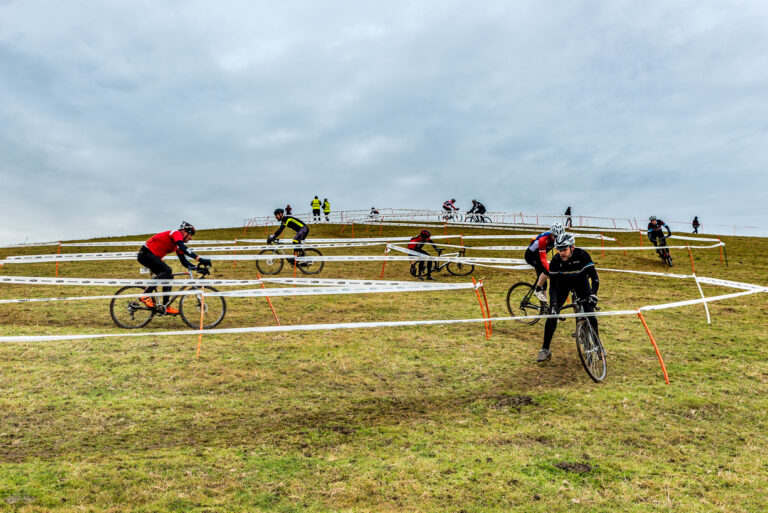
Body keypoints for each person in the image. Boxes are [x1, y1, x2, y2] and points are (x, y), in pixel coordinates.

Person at [537, 233, 600, 362]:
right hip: (563, 286)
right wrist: (554, 304)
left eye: (564, 249)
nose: (562, 253)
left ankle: (598, 345)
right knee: (552, 316)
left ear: (572, 247)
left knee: (590, 314)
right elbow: (553, 287)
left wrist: (593, 294)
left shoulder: (582, 255)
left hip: (581, 284)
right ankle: (545, 349)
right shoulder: (555, 261)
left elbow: (594, 277)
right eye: (559, 250)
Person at [137, 222, 212, 314]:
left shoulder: (177, 245)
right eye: (190, 234)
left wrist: (197, 268)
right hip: (145, 254)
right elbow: (184, 248)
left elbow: (184, 262)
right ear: (184, 231)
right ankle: (145, 295)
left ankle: (165, 306)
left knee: (169, 276)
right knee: (167, 270)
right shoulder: (176, 233)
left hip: (151, 256)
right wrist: (199, 259)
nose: (191, 238)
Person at [525, 222, 565, 303]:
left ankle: (545, 306)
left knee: (546, 276)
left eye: (559, 237)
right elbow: (543, 260)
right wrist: (551, 271)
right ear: (551, 234)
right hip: (531, 256)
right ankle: (538, 292)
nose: (557, 239)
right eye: (555, 237)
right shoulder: (543, 240)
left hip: (539, 256)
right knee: (545, 275)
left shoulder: (557, 239)